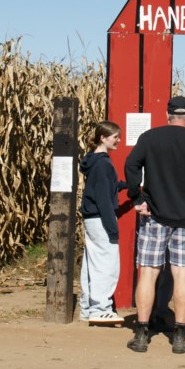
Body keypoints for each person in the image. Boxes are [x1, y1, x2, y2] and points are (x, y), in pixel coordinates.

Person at [124, 96, 185, 353]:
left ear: (167, 114)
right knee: (182, 274)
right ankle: (179, 335)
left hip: (154, 217)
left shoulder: (150, 138)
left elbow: (130, 165)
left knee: (147, 272)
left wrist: (137, 197)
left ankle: (142, 334)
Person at [78, 120, 126, 325]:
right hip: (101, 218)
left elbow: (105, 187)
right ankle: (101, 308)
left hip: (91, 218)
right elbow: (104, 199)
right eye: (115, 136)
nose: (118, 140)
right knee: (107, 264)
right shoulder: (105, 164)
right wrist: (113, 228)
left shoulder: (93, 161)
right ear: (103, 138)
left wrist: (127, 185)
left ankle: (87, 307)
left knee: (91, 263)